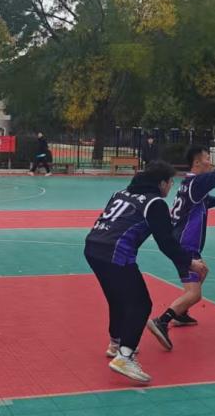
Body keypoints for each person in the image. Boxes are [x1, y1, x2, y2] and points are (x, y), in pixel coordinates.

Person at [83, 161, 207, 383]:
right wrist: (190, 263)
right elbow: (166, 242)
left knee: (117, 299)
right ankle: (125, 356)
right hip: (116, 252)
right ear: (161, 183)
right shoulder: (155, 203)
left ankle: (116, 343)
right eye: (170, 182)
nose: (171, 186)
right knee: (141, 304)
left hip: (93, 247)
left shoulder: (120, 194)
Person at [147, 128, 215, 347]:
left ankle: (181, 313)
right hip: (185, 245)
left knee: (203, 271)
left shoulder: (189, 183)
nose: (210, 163)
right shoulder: (198, 183)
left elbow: (205, 201)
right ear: (197, 163)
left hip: (180, 241)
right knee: (195, 293)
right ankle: (162, 321)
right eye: (207, 159)